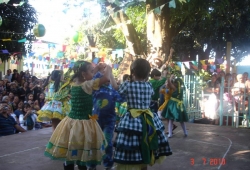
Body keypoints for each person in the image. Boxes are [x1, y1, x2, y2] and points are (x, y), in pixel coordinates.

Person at [44, 61, 111, 170]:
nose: (94, 74)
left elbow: (83, 73)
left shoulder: (74, 82)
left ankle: (68, 165)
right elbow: (106, 78)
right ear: (83, 74)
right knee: (81, 150)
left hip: (70, 122)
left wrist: (96, 69)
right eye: (91, 71)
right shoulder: (87, 85)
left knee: (70, 149)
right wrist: (108, 68)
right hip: (83, 124)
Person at [114, 58, 172, 170]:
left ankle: (135, 162)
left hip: (132, 119)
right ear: (147, 74)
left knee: (132, 143)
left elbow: (117, 89)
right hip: (148, 118)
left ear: (133, 72)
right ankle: (145, 164)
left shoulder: (127, 85)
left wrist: (109, 74)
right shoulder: (149, 85)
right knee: (148, 140)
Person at [92, 71, 124, 170]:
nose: (108, 80)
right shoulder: (94, 90)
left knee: (108, 143)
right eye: (105, 78)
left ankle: (108, 164)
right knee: (94, 143)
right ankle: (91, 165)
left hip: (109, 121)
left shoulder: (113, 91)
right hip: (95, 120)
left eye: (109, 77)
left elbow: (122, 98)